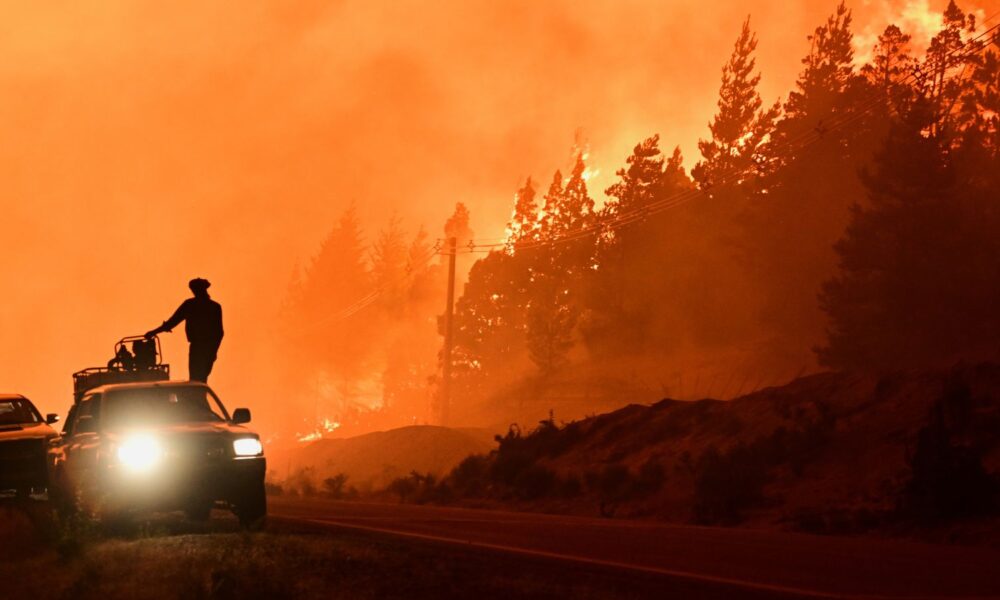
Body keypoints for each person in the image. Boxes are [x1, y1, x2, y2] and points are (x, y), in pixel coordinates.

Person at [145, 278, 224, 383]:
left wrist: (153, 332)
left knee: (196, 378)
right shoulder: (214, 306)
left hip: (200, 348)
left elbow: (172, 322)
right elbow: (219, 333)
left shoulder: (191, 305)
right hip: (207, 348)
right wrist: (213, 351)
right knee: (201, 378)